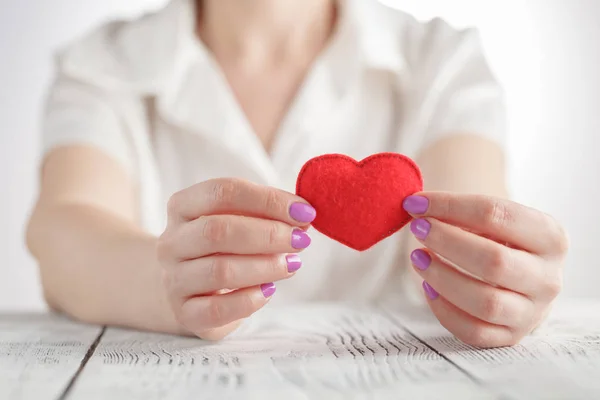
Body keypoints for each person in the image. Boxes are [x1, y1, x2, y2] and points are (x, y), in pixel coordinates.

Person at [26, 0, 568, 348]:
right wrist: (164, 280)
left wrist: (496, 269)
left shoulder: (441, 60)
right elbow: (66, 229)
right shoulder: (102, 63)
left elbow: (473, 204)